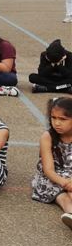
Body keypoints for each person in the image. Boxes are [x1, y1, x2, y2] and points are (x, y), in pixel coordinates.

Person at [31, 97, 72, 229]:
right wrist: (65, 183)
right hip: (52, 178)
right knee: (63, 198)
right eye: (53, 118)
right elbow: (48, 170)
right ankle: (70, 213)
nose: (57, 123)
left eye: (63, 119)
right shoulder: (47, 137)